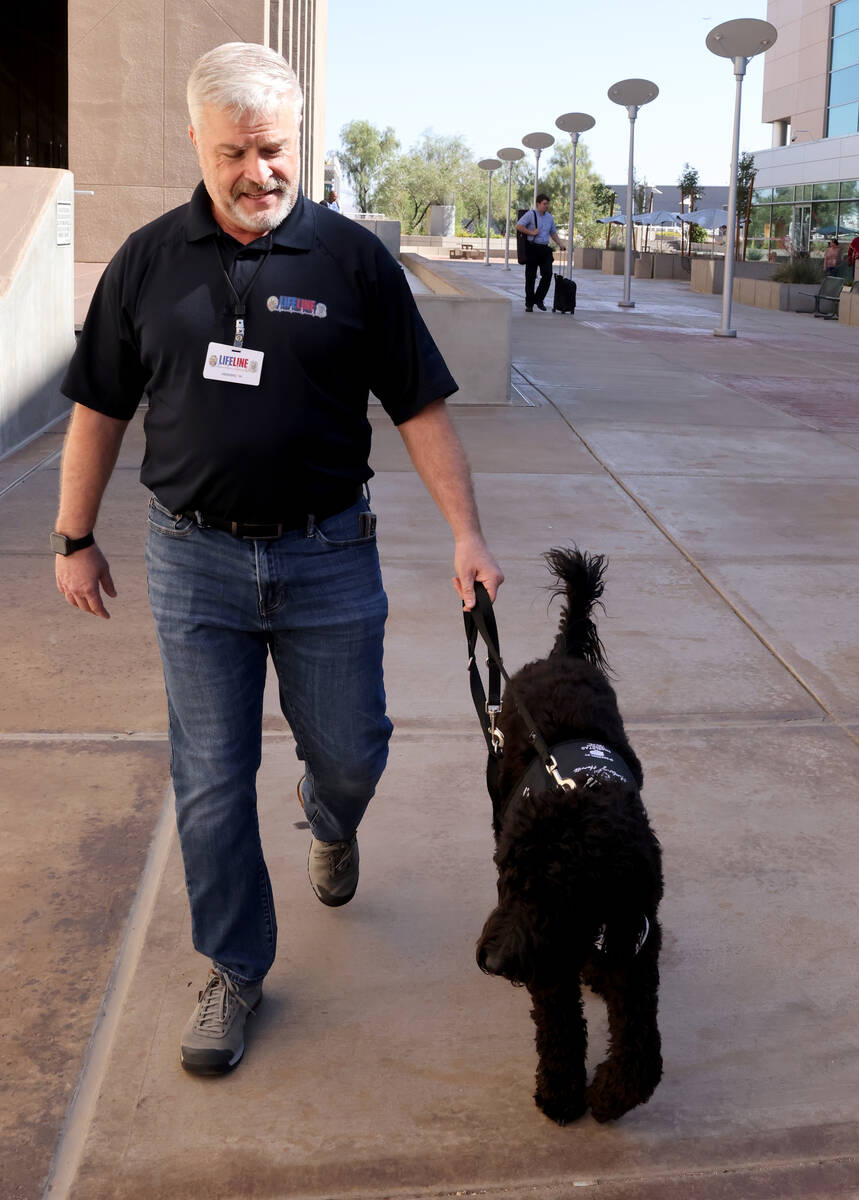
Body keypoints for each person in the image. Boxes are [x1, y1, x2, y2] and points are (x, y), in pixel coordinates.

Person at [53, 42, 503, 1076]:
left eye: (272, 149)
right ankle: (234, 970)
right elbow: (98, 411)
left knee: (350, 749)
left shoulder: (351, 263)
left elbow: (421, 409)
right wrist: (75, 538)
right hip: (192, 561)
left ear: (297, 142)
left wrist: (466, 534)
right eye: (233, 153)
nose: (257, 173)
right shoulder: (147, 261)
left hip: (329, 555)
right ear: (197, 147)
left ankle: (330, 819)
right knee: (211, 778)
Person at [515, 194, 566, 312]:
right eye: (544, 204)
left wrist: (560, 244)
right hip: (532, 249)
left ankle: (538, 299)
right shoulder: (531, 215)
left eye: (547, 204)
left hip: (544, 249)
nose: (546, 206)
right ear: (538, 204)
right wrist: (532, 232)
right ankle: (529, 304)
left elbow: (553, 233)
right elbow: (518, 226)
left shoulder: (549, 217)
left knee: (548, 275)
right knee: (531, 277)